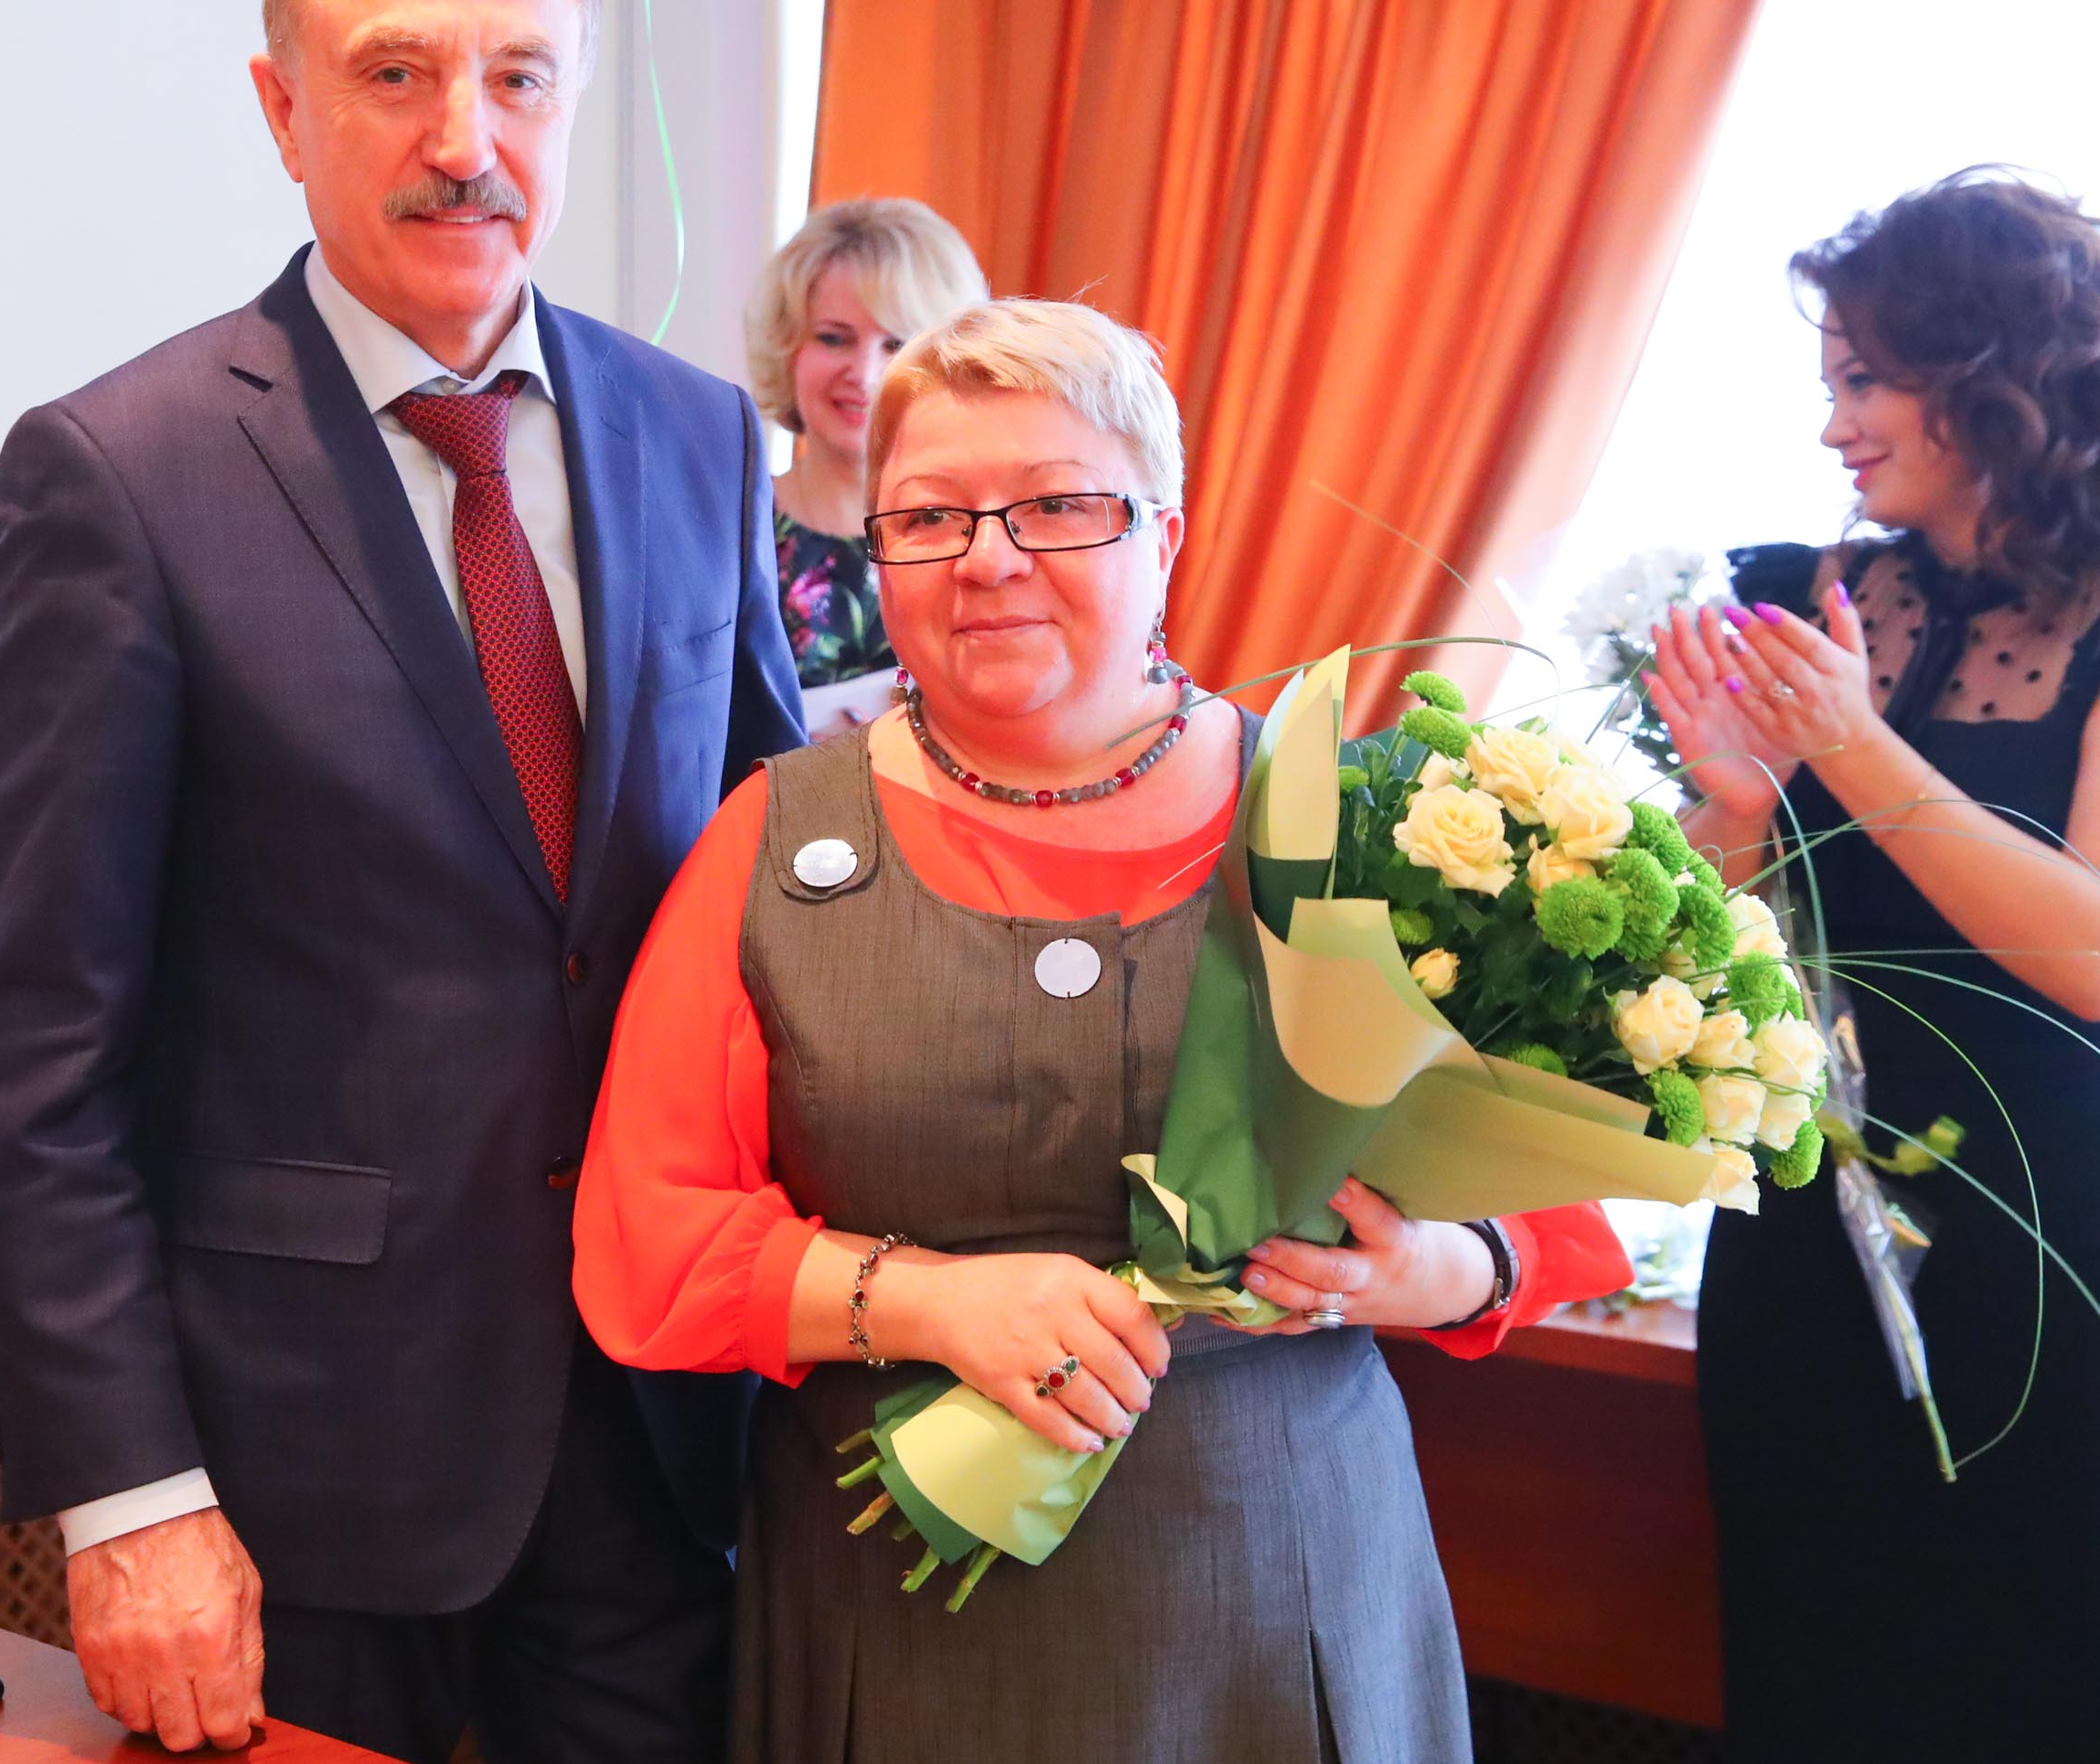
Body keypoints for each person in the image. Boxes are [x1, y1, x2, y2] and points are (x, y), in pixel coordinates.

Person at [0, 0, 804, 1764]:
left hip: (662, 1432)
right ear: (283, 110)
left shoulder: (695, 436)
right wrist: (128, 1499)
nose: (464, 140)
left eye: (519, 77)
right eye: (396, 73)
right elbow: (40, 1053)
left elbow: (786, 892)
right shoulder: (122, 474)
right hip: (292, 1482)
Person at [575, 299, 1630, 1762]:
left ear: (1166, 538)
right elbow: (647, 1241)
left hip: (1280, 1593)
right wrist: (928, 1303)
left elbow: (1549, 1218)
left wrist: (1413, 1271)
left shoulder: (1355, 825)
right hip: (897, 1615)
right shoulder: (768, 842)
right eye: (929, 517)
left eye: (1057, 505)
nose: (988, 557)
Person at [1650, 170, 2100, 1759]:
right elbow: (1723, 949)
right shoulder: (1803, 596)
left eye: (1864, 378)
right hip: (1801, 1215)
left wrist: (1850, 746)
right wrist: (1731, 810)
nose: (1833, 424)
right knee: (1811, 1653)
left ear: (1992, 374)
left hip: (2041, 1236)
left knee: (2026, 1662)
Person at [745, 198, 987, 713]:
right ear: (786, 350)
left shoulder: (991, 539)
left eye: (896, 344)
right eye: (833, 338)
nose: (865, 373)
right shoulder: (726, 534)